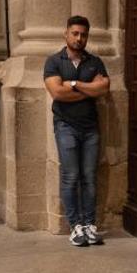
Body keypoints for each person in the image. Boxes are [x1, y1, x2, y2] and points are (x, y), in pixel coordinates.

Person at [42, 15, 110, 247]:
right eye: (75, 33)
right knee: (71, 177)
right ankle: (75, 226)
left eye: (83, 35)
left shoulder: (95, 61)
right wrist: (89, 89)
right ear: (66, 34)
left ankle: (90, 225)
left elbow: (104, 88)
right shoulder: (54, 61)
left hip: (90, 127)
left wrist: (75, 84)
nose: (79, 38)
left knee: (89, 177)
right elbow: (58, 93)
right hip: (66, 126)